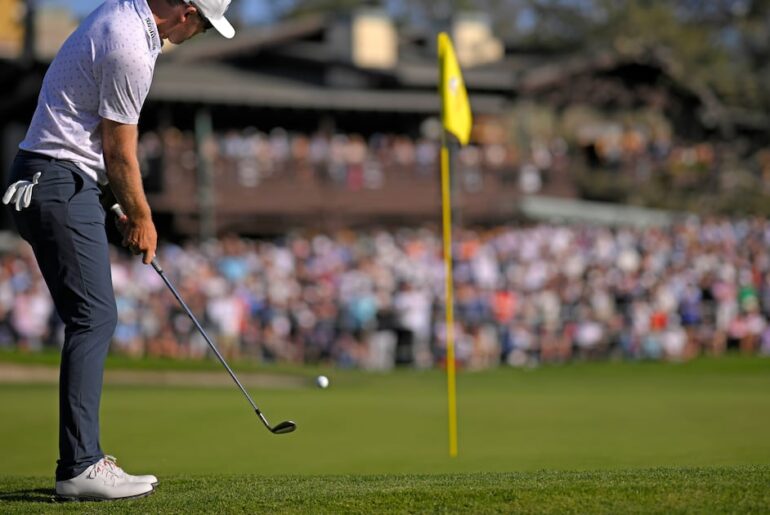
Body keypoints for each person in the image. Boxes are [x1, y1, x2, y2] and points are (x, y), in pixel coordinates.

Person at [2, 0, 235, 501]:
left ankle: (80, 461)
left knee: (91, 315)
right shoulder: (132, 45)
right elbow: (118, 150)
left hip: (57, 177)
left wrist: (114, 203)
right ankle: (80, 465)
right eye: (205, 25)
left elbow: (90, 138)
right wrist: (145, 219)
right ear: (187, 11)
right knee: (95, 316)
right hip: (58, 179)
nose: (201, 34)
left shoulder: (122, 14)